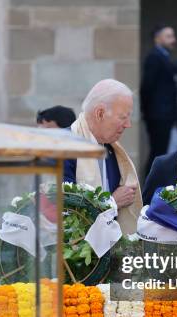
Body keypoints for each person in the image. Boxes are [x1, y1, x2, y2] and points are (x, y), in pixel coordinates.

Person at [65, 79, 142, 234]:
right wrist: (112, 202)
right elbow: (62, 208)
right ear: (100, 113)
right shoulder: (63, 147)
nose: (128, 124)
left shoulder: (112, 149)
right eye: (123, 117)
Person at [140, 24, 177, 178]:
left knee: (160, 152)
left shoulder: (163, 56)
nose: (173, 40)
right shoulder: (154, 57)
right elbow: (146, 87)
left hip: (164, 114)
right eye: (168, 36)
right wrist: (148, 113)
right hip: (158, 115)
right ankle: (150, 188)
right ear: (157, 38)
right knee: (158, 153)